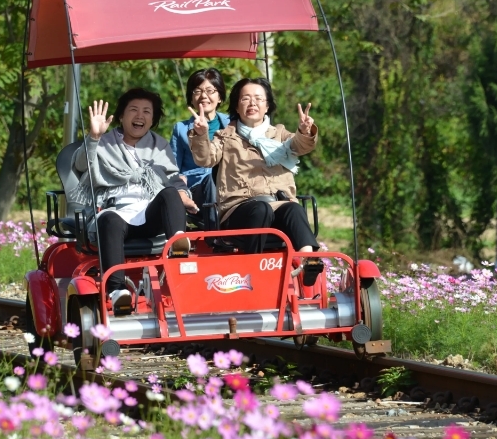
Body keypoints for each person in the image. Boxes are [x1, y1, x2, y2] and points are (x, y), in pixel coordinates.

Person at [69, 88, 198, 311]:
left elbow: (173, 179)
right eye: (134, 110)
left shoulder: (159, 145)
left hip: (148, 213)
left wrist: (184, 196)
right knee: (109, 219)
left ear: (152, 119)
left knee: (169, 192)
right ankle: (118, 290)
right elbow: (81, 166)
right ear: (121, 115)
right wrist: (93, 138)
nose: (140, 116)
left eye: (147, 111)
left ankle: (177, 241)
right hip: (116, 211)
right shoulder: (104, 141)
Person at [188, 77, 323, 286]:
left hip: (277, 203)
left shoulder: (279, 134)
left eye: (259, 99)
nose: (252, 103)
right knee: (261, 209)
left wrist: (305, 131)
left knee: (293, 208)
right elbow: (205, 158)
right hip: (238, 209)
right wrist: (201, 135)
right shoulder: (225, 136)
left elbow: (299, 145)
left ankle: (309, 261)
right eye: (246, 99)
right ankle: (253, 270)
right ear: (236, 106)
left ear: (267, 105)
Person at [170, 68, 231, 230]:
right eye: (198, 91)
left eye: (210, 90)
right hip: (197, 188)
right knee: (210, 178)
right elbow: (173, 169)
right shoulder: (181, 129)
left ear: (219, 96)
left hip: (230, 187)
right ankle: (217, 235)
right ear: (191, 97)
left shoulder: (233, 124)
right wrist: (180, 182)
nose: (204, 96)